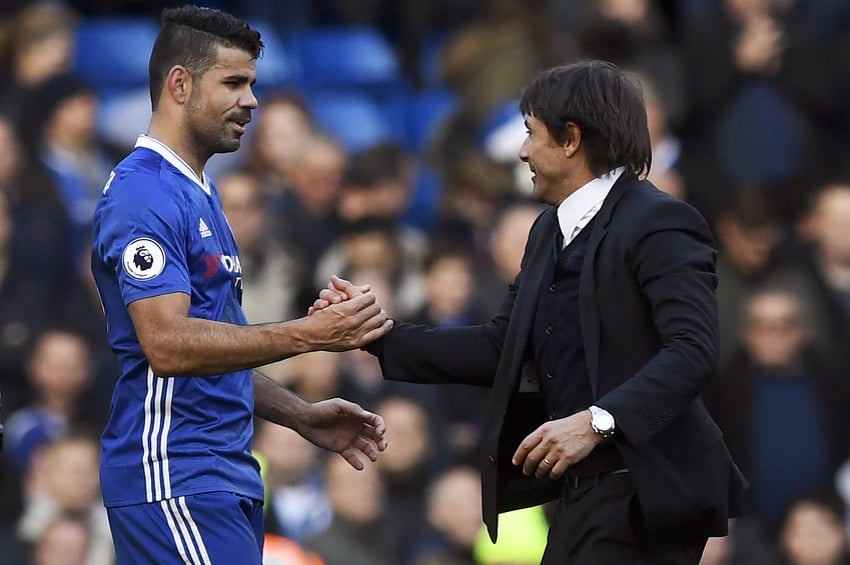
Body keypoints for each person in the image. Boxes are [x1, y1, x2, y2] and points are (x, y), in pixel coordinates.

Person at [314, 60, 746, 563]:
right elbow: (503, 346)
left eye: (530, 134)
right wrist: (376, 335)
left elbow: (693, 351)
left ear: (571, 140)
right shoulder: (548, 231)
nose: (522, 152)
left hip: (647, 493)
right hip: (579, 494)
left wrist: (597, 423)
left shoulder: (662, 222)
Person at [89, 6, 392, 565]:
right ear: (179, 84)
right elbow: (168, 344)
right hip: (174, 474)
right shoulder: (145, 195)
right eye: (233, 82)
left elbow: (217, 349)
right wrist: (308, 335)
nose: (251, 101)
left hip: (219, 475)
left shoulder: (198, 191)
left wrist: (298, 414)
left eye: (251, 83)